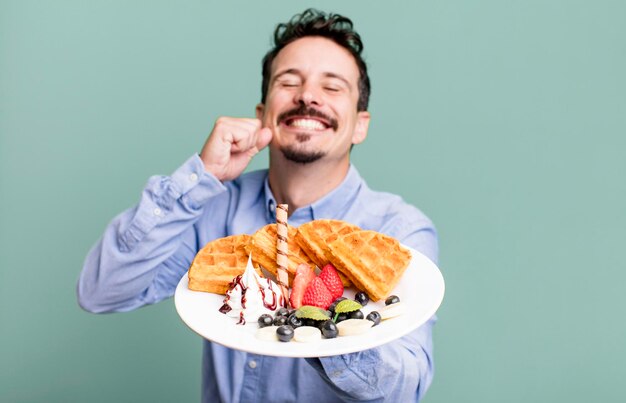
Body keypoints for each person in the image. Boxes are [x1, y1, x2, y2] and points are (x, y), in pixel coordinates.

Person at [78, 8, 438, 403]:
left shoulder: (399, 230)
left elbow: (405, 387)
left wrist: (321, 317)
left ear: (360, 124)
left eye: (332, 87)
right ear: (262, 113)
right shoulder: (214, 209)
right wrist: (201, 178)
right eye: (289, 82)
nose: (307, 95)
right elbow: (101, 291)